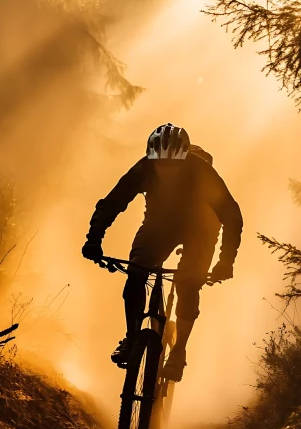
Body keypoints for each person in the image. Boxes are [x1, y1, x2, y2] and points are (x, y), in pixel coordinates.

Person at [82, 123, 243, 382]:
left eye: (174, 166)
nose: (166, 171)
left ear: (185, 160)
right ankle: (132, 337)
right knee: (136, 274)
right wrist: (94, 239)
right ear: (151, 158)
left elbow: (232, 217)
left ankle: (178, 352)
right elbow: (112, 203)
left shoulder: (201, 172)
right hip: (158, 226)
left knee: (188, 284)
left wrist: (226, 261)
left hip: (200, 229)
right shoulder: (143, 167)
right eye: (161, 165)